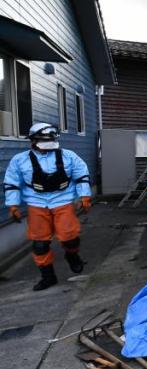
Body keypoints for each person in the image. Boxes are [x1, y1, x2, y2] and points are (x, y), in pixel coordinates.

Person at [3, 123, 91, 290]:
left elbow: (82, 175)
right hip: (36, 204)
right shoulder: (19, 160)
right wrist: (13, 205)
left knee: (70, 238)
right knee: (40, 244)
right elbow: (12, 183)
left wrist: (85, 195)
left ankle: (72, 256)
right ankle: (48, 276)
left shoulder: (69, 156)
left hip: (63, 201)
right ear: (33, 141)